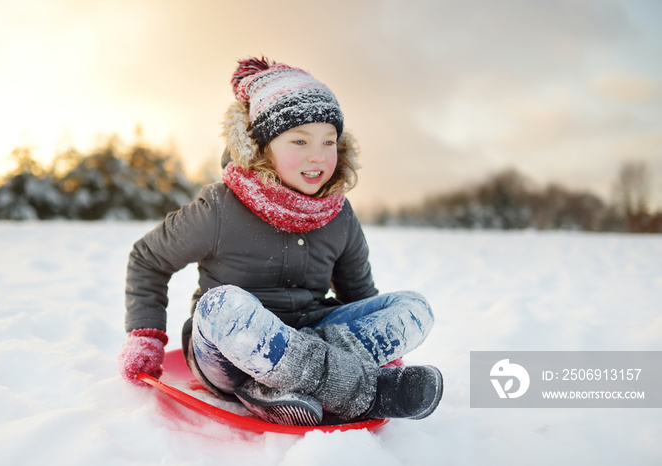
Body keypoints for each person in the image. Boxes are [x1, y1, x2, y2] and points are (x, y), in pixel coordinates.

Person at [118, 57, 443, 426]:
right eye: (299, 140)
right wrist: (145, 335)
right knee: (222, 304)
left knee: (414, 308)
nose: (317, 156)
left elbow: (359, 294)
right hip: (230, 351)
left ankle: (274, 388)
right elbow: (148, 258)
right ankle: (364, 390)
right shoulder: (220, 208)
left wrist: (378, 339)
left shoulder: (339, 214)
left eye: (329, 142)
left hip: (314, 329)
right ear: (263, 146)